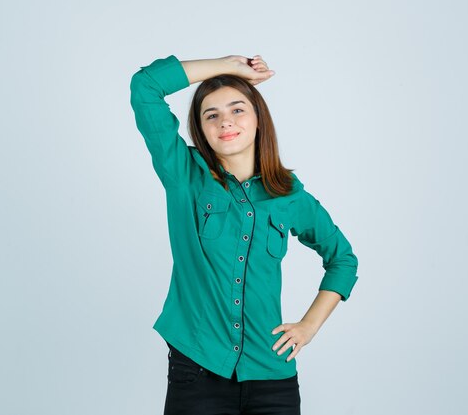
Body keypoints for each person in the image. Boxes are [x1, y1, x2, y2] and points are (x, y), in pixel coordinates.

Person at [129, 54, 359, 415]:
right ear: (200, 129)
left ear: (257, 118)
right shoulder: (184, 175)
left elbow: (342, 260)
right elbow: (145, 86)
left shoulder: (288, 196)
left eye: (238, 110)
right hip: (197, 373)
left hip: (272, 378)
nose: (226, 122)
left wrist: (308, 326)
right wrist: (228, 67)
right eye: (212, 115)